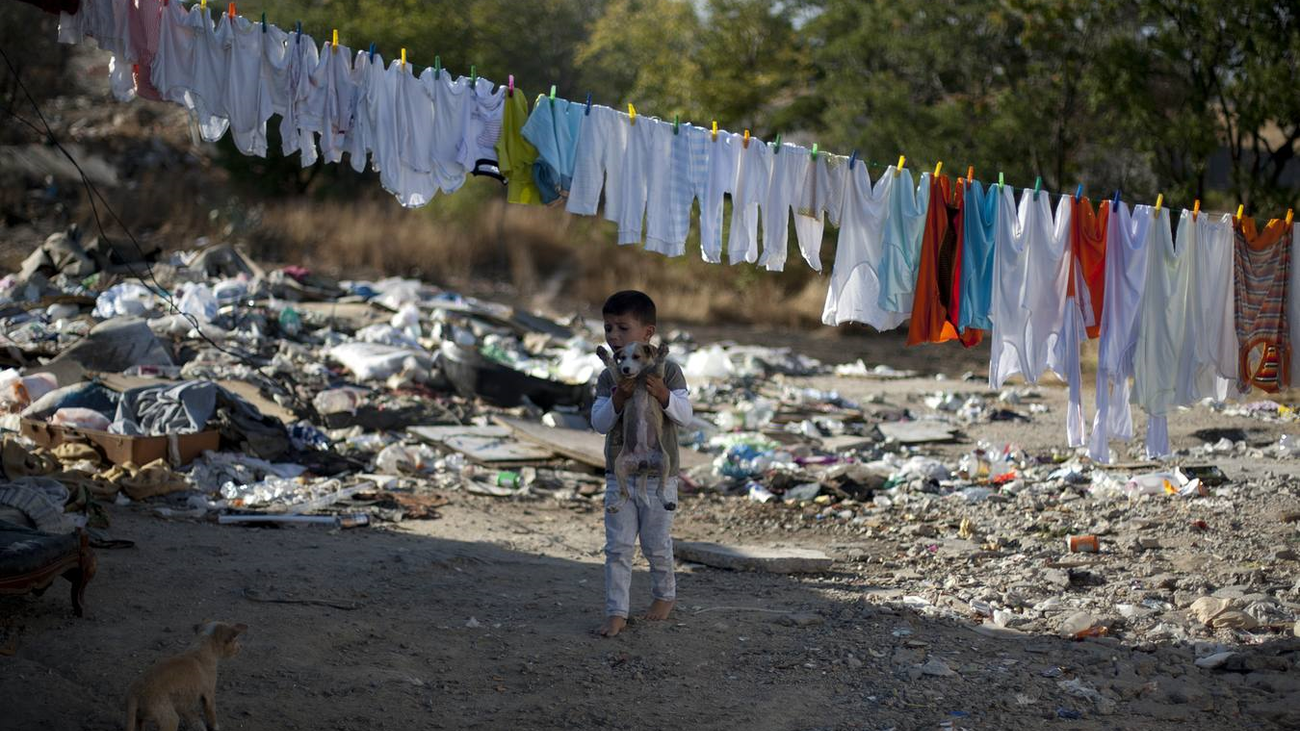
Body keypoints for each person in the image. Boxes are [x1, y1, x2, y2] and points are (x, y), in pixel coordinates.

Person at [590, 290, 693, 638]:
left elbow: (685, 416)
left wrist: (663, 395)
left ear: (648, 334)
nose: (613, 336)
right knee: (617, 547)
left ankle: (665, 595)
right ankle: (616, 612)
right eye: (608, 328)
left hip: (659, 476)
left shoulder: (669, 371)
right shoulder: (610, 376)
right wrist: (618, 398)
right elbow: (600, 423)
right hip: (621, 476)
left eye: (623, 328)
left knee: (655, 544)